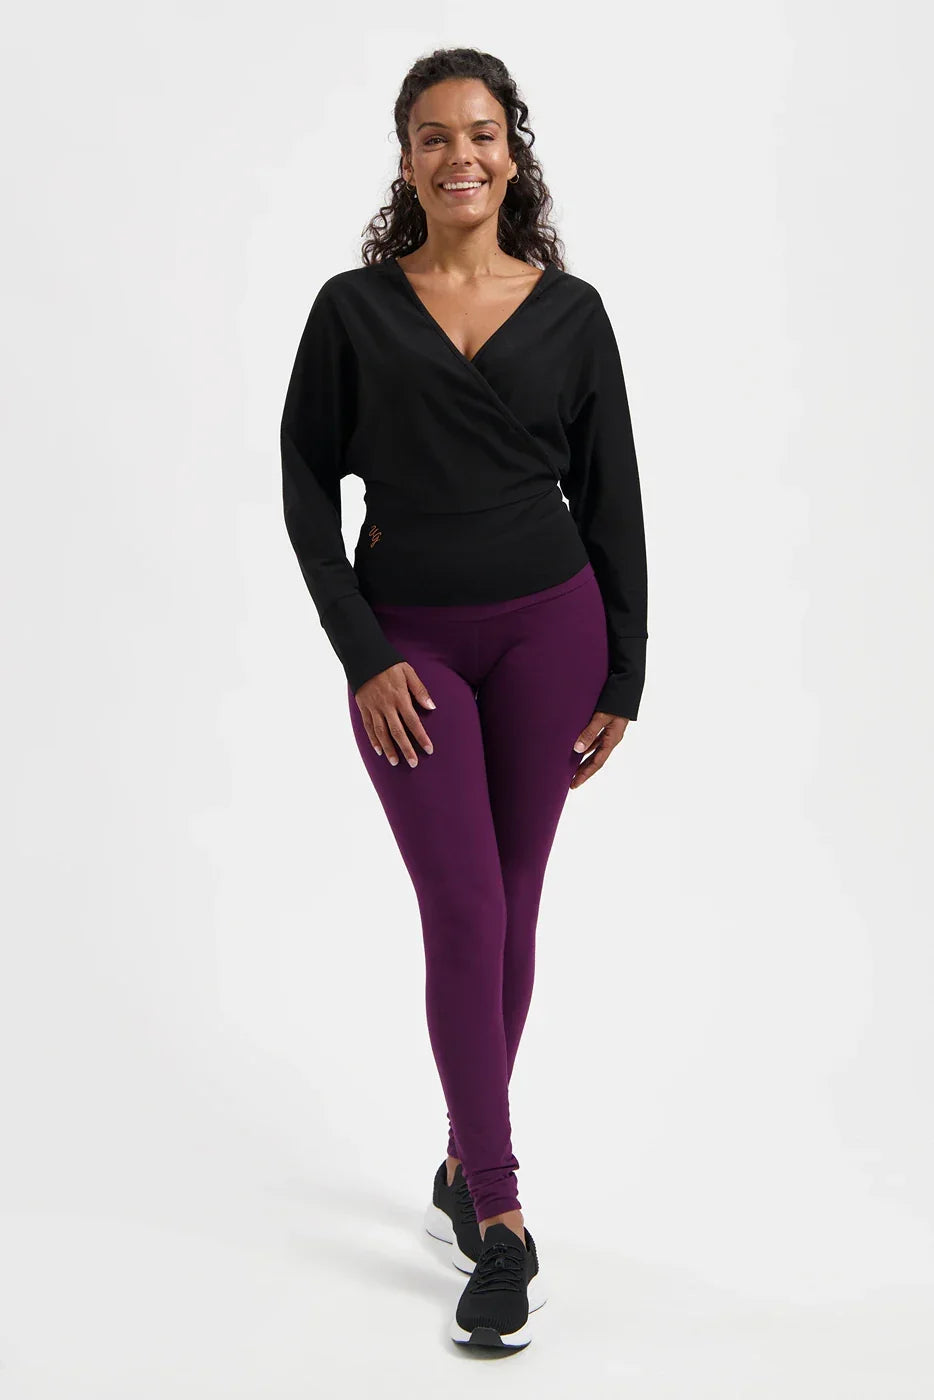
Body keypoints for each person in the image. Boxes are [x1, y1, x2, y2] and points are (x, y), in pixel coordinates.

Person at [279, 46, 648, 1351]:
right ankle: (499, 1216)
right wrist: (363, 655)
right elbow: (304, 489)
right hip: (411, 648)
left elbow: (612, 495)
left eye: (481, 134)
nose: (460, 157)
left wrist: (626, 670)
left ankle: (457, 1160)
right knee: (465, 904)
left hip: (553, 631)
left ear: (512, 151)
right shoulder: (353, 311)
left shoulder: (572, 312)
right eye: (433, 136)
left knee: (515, 905)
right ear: (404, 159)